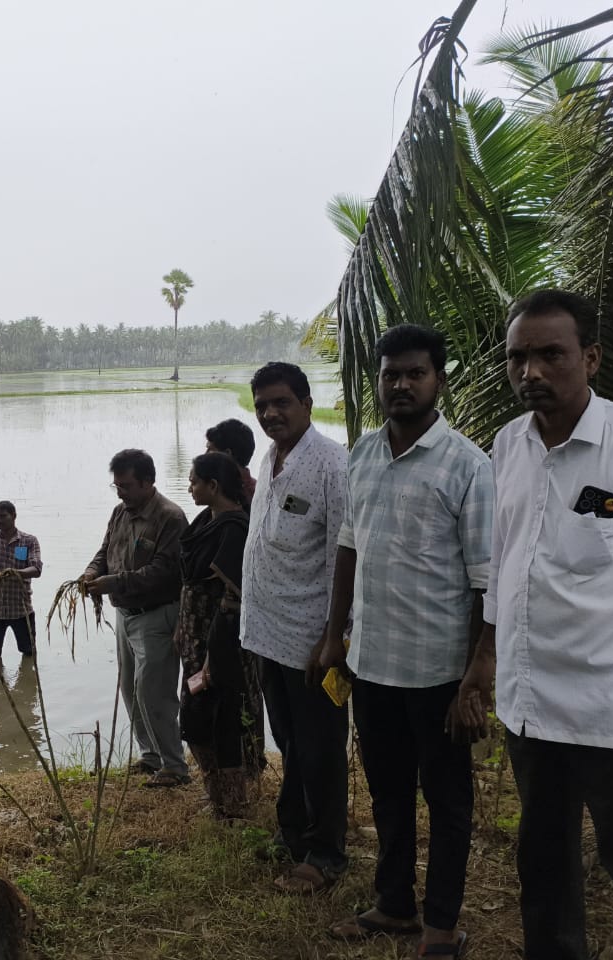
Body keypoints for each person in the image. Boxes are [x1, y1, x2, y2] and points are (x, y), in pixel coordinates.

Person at [455, 290, 613, 959]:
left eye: (549, 355)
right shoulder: (509, 445)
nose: (530, 372)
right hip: (533, 716)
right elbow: (504, 567)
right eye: (518, 358)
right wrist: (483, 661)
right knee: (543, 875)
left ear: (589, 358)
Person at [316, 325, 491, 955]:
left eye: (415, 373)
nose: (401, 384)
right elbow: (347, 547)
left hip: (440, 672)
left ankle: (441, 926)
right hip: (372, 665)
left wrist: (477, 674)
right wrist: (334, 635)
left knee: (447, 804)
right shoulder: (362, 452)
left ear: (438, 379)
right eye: (391, 374)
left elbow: (485, 582)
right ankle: (393, 904)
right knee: (388, 793)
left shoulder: (469, 466)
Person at [239, 361, 349, 894]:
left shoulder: (332, 465)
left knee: (322, 745)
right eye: (262, 405)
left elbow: (344, 558)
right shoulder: (271, 456)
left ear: (307, 402)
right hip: (267, 633)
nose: (270, 413)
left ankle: (326, 852)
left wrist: (335, 638)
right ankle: (295, 832)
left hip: (314, 643)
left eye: (281, 402)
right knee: (289, 739)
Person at [82, 448, 190, 788]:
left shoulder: (170, 518)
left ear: (148, 482)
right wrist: (90, 573)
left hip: (157, 616)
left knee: (154, 693)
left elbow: (161, 572)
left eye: (126, 486)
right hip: (125, 614)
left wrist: (112, 582)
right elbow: (105, 552)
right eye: (117, 487)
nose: (121, 493)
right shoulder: (119, 513)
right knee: (131, 688)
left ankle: (175, 766)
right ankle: (151, 756)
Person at [174, 452, 262, 817]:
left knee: (225, 718)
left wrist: (213, 654)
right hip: (195, 639)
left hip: (223, 644)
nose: (190, 487)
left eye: (194, 481)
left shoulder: (235, 528)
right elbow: (190, 585)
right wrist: (183, 627)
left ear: (213, 485)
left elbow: (233, 597)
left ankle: (234, 803)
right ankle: (216, 796)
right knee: (195, 717)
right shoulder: (203, 523)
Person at [0, 501, 43, 658]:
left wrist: (15, 573)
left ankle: (26, 680)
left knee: (29, 653)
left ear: (13, 516)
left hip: (21, 609)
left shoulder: (29, 541)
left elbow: (36, 569)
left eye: (2, 516)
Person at [205, 418, 258, 507]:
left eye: (210, 451)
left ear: (227, 454)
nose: (205, 455)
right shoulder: (221, 488)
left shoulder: (250, 496)